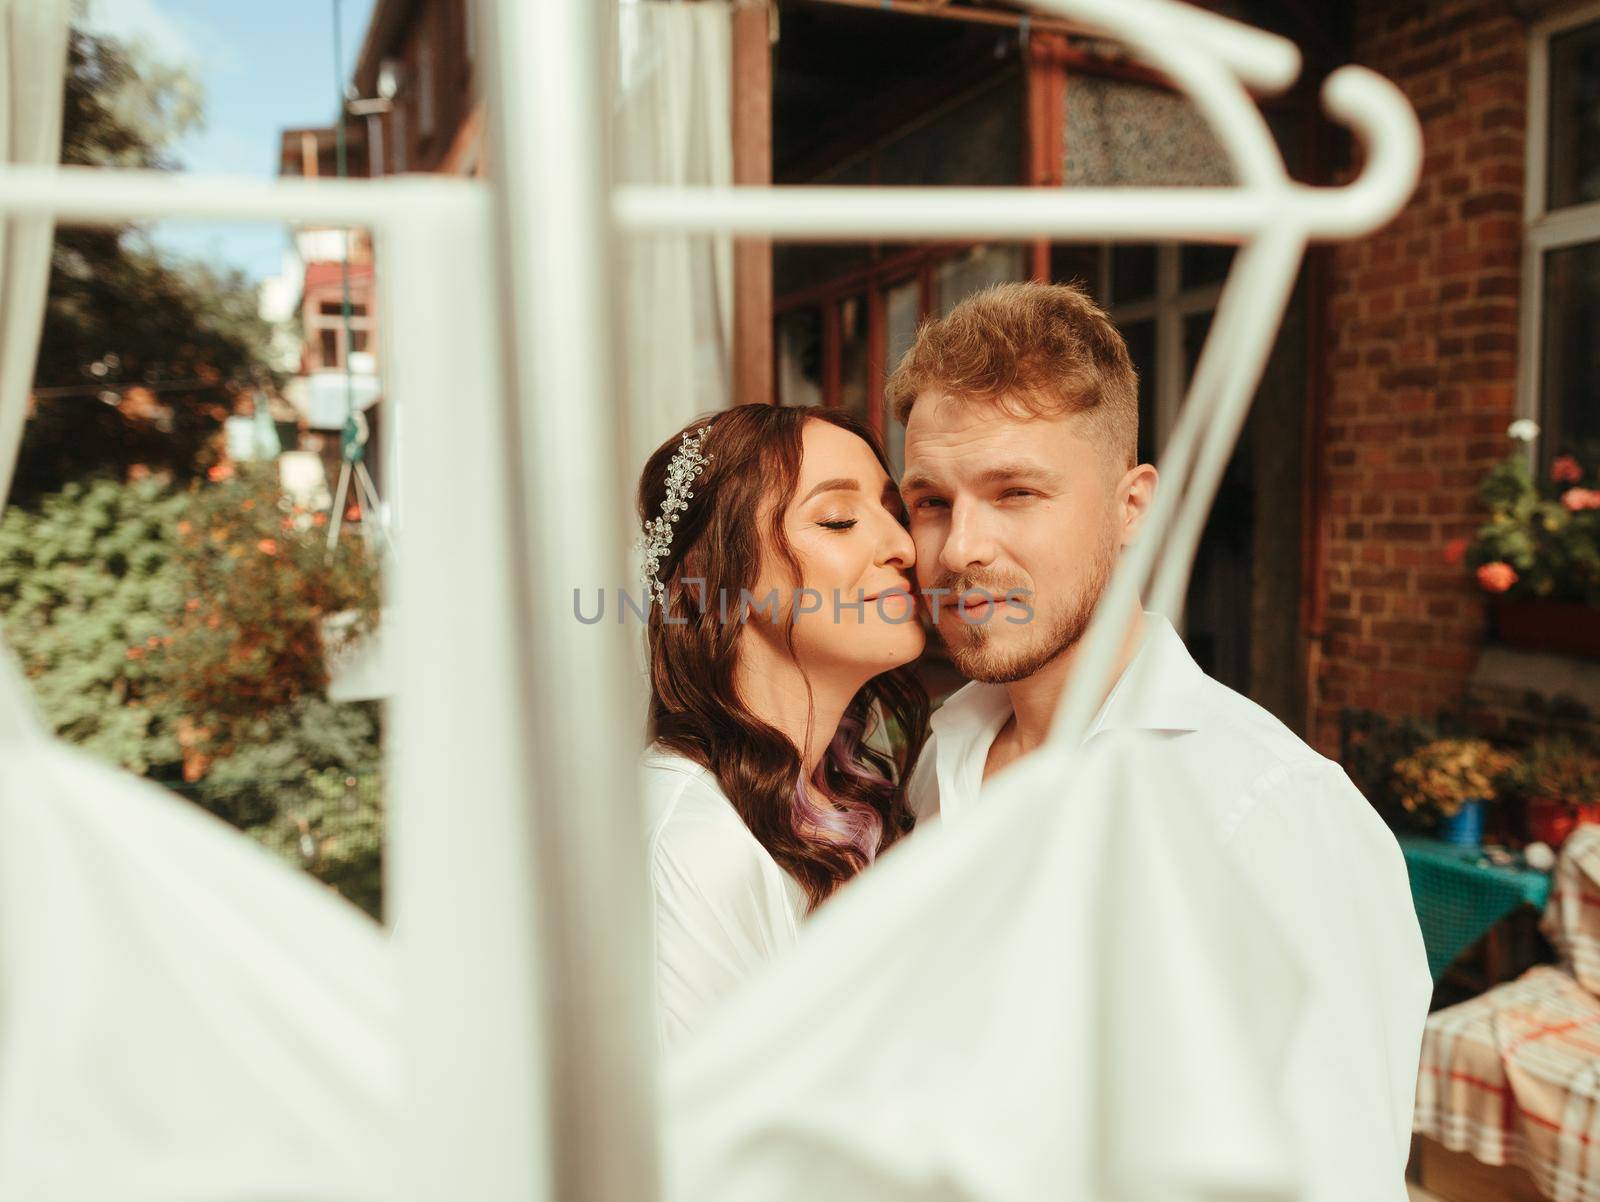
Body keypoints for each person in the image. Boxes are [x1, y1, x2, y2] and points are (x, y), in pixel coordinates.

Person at [889, 281, 1432, 1202]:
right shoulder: (944, 758)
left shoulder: (1271, 813)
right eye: (932, 502)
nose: (959, 550)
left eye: (1015, 491)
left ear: (1132, 504)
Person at [635, 404, 929, 1047]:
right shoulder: (693, 845)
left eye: (895, 514)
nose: (904, 547)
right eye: (839, 519)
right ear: (723, 576)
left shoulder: (863, 797)